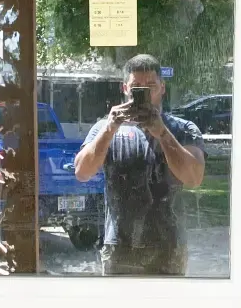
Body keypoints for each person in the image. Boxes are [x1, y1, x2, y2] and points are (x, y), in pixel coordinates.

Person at [74, 54, 205, 276]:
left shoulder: (183, 129)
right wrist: (110, 129)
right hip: (120, 246)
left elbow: (194, 178)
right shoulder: (105, 128)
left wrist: (162, 133)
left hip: (169, 245)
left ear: (162, 88)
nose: (145, 93)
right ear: (125, 88)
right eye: (136, 87)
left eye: (151, 86)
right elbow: (82, 172)